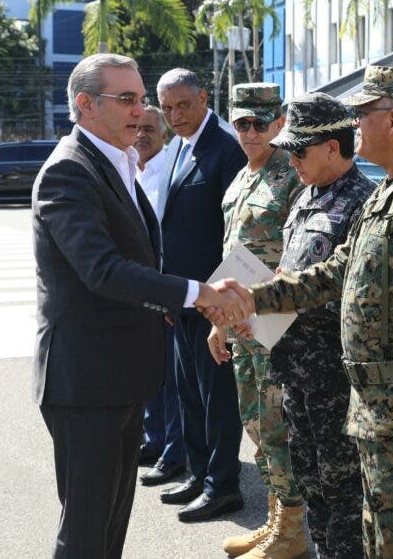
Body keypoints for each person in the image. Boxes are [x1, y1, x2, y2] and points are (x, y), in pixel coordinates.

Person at [205, 65, 393, 558]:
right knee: (358, 529)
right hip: (374, 410)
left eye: (363, 114)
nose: (355, 125)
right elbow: (332, 273)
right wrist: (252, 298)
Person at [31, 53, 231, 557]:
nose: (140, 111)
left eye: (141, 99)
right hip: (85, 382)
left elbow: (139, 251)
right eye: (127, 99)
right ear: (85, 104)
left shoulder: (115, 159)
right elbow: (100, 269)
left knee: (111, 522)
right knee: (84, 527)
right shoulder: (69, 172)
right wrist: (194, 292)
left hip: (120, 375)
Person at [264, 92, 374, 558]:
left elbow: (359, 299)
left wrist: (279, 300)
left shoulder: (363, 204)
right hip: (298, 376)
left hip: (336, 383)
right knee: (312, 489)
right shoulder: (307, 196)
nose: (291, 162)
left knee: (344, 498)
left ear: (333, 147)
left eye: (300, 151)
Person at [156, 68, 248, 522]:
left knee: (217, 401)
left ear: (203, 98)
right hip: (185, 297)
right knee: (189, 393)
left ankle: (222, 485)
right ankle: (197, 473)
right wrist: (173, 297)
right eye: (167, 108)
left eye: (183, 105)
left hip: (214, 299)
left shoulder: (226, 148)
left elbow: (233, 234)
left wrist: (218, 306)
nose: (174, 116)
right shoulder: (177, 146)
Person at [218, 83, 306, 558]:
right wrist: (220, 322)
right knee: (255, 423)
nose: (250, 133)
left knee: (277, 426)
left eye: (260, 123)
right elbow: (231, 259)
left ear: (279, 122)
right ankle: (275, 519)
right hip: (243, 326)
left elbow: (302, 257)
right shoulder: (240, 179)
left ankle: (292, 529)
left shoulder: (290, 176)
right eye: (241, 124)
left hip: (276, 325)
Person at [133, 106, 188, 486]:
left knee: (172, 380)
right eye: (136, 127)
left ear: (164, 135)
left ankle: (174, 451)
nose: (141, 135)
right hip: (140, 288)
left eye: (149, 129)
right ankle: (154, 439)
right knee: (149, 372)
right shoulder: (130, 170)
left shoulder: (167, 171)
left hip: (167, 286)